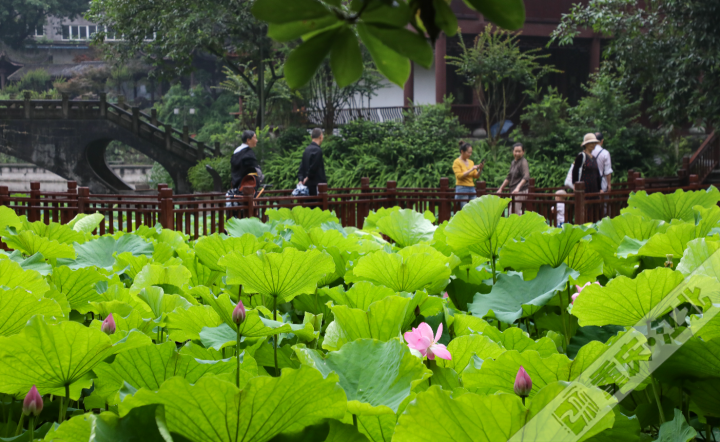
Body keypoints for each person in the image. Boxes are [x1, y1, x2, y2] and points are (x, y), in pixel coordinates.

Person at [497, 143, 530, 214]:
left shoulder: (523, 162)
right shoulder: (513, 162)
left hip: (521, 190)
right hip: (514, 191)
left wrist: (518, 188)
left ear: (523, 152)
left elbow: (526, 176)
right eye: (516, 151)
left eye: (519, 151)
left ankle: (525, 223)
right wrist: (501, 188)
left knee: (513, 213)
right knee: (513, 212)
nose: (517, 153)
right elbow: (509, 177)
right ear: (513, 152)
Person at [452, 141, 484, 208]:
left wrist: (480, 169)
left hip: (471, 187)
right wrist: (471, 169)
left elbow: (476, 176)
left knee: (475, 207)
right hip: (462, 187)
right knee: (465, 208)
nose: (470, 154)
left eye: (471, 152)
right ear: (462, 152)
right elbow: (459, 176)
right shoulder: (456, 162)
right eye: (468, 152)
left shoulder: (471, 162)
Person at [297, 128, 327, 197]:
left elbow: (301, 167)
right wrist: (308, 177)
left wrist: (301, 179)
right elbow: (314, 167)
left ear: (311, 137)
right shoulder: (318, 150)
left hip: (307, 186)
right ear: (321, 137)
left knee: (309, 206)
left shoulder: (306, 150)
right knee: (318, 206)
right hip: (317, 186)